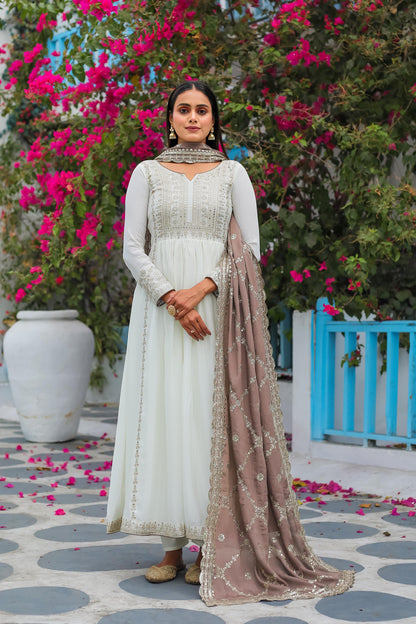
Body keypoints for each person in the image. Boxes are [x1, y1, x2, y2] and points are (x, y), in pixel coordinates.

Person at [106, 81, 354, 606]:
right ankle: (170, 547)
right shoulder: (145, 174)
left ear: (213, 120)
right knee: (166, 416)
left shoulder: (232, 173)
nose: (192, 117)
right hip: (160, 312)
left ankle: (206, 547)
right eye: (183, 109)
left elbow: (251, 248)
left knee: (207, 419)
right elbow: (132, 249)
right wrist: (172, 298)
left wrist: (197, 292)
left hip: (218, 311)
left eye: (202, 110)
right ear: (168, 118)